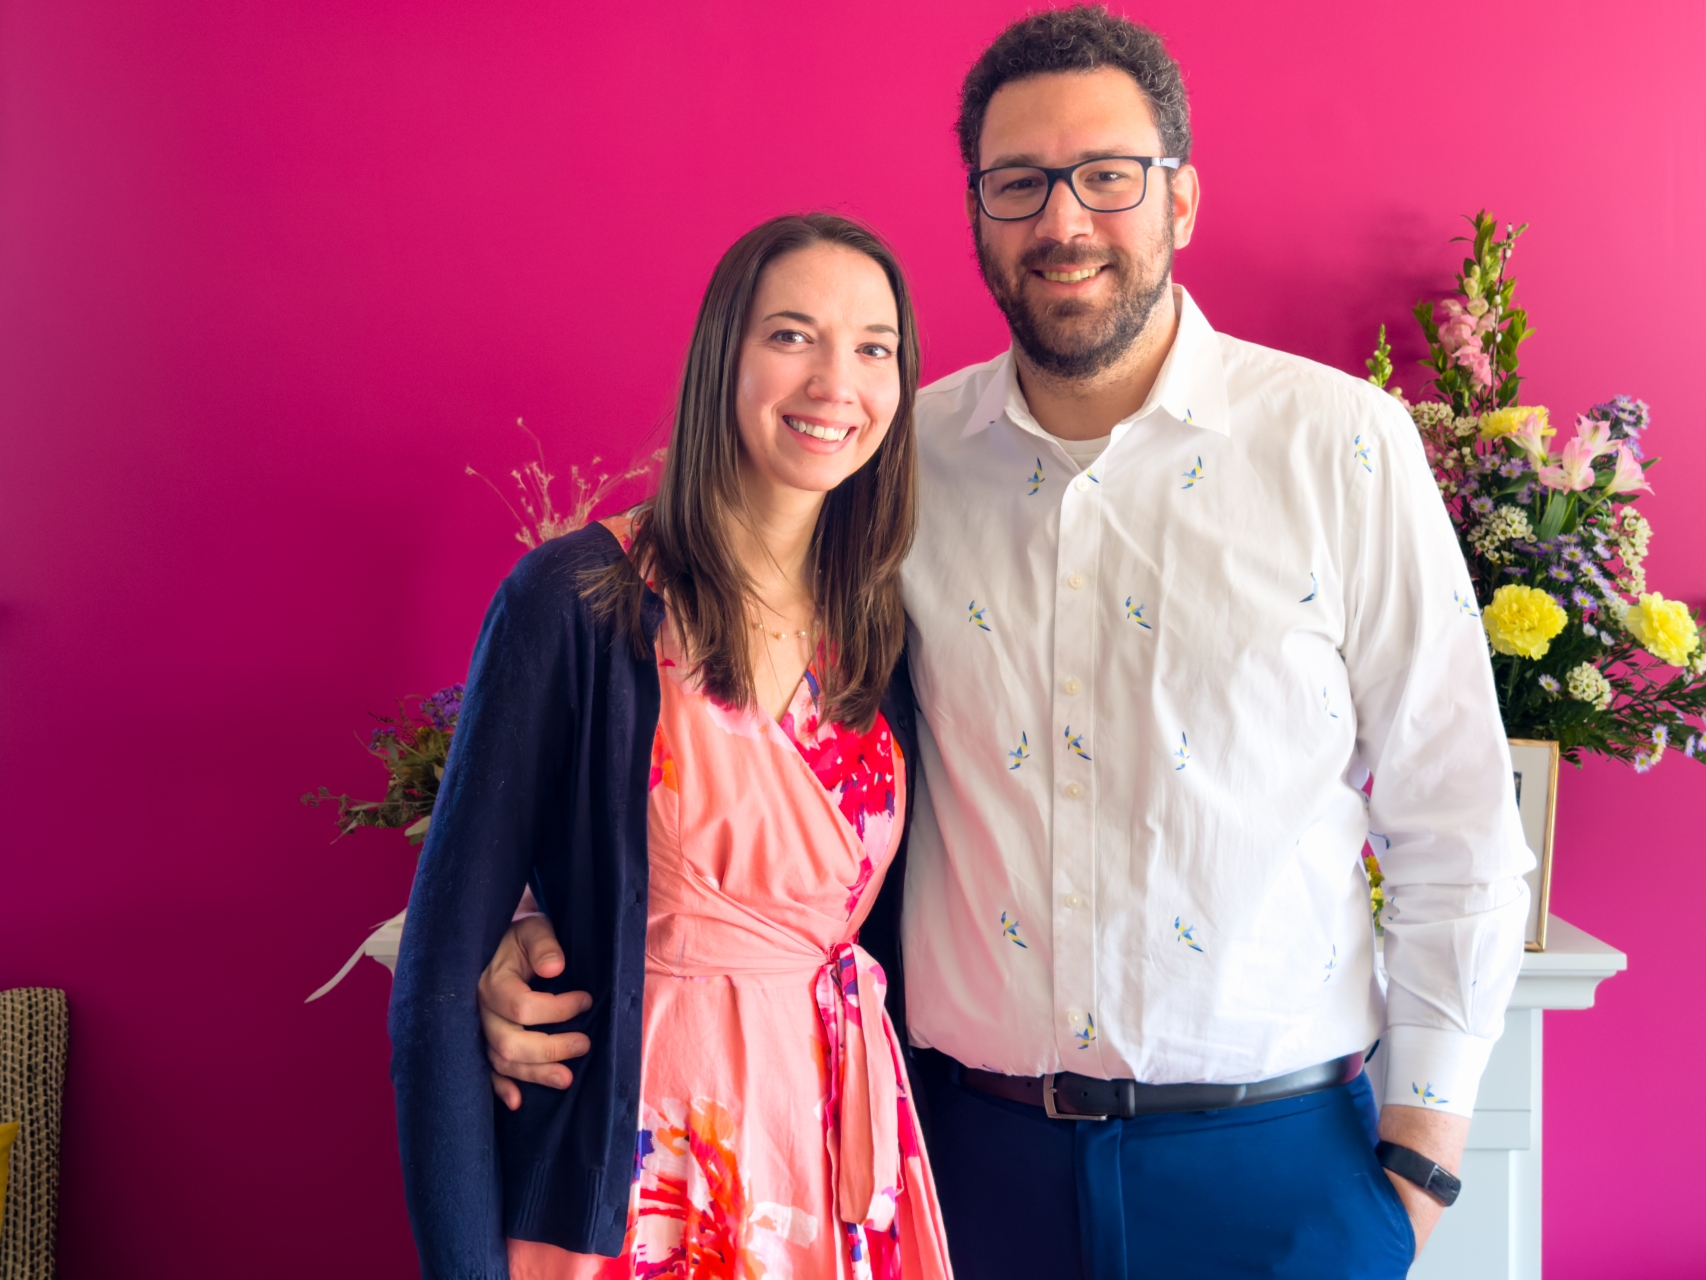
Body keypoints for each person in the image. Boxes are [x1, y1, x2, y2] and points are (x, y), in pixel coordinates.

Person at [477, 9, 1535, 1278]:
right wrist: (531, 920)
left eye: (1108, 176)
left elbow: (1455, 817)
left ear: (1180, 198)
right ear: (977, 212)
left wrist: (1420, 1157)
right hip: (965, 1165)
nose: (1062, 220)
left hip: (1272, 1167)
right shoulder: (889, 458)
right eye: (1018, 182)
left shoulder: (1342, 444)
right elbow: (724, 711)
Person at [389, 212, 955, 1280]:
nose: (836, 381)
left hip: (833, 1170)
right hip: (639, 1181)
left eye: (874, 348)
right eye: (792, 335)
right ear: (721, 357)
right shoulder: (578, 601)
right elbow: (435, 977)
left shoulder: (880, 632)